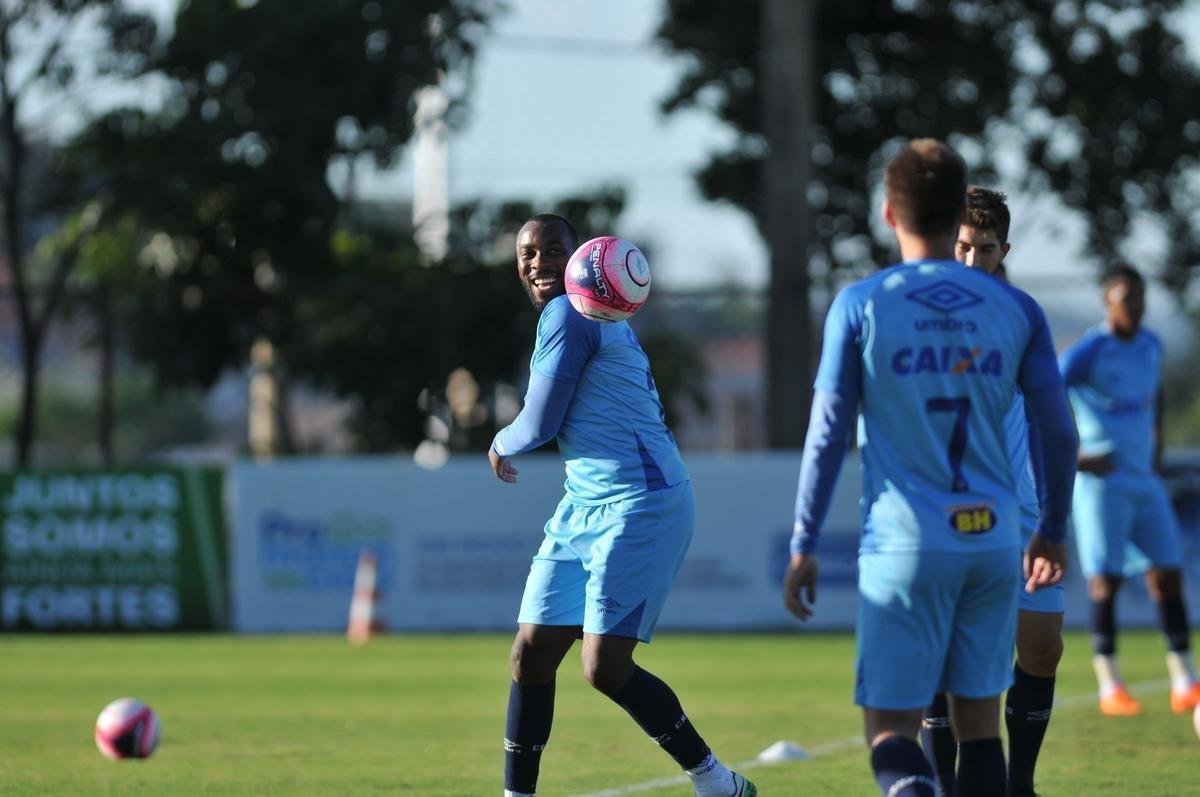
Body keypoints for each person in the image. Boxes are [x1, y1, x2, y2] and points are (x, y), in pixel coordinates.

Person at [783, 140, 1078, 797]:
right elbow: (1059, 429)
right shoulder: (1017, 311)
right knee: (980, 729)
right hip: (995, 537)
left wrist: (804, 540)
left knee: (892, 728)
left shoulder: (862, 304)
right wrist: (1054, 525)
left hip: (908, 540)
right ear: (954, 219)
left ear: (889, 215)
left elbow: (828, 433)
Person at [490, 214, 755, 797]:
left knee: (603, 667)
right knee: (531, 655)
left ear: (579, 254)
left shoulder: (568, 312)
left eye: (553, 249)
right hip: (585, 502)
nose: (538, 262)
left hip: (640, 502)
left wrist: (499, 442)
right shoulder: (593, 312)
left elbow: (538, 423)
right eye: (527, 253)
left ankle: (716, 781)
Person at [920, 187, 1066, 797]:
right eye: (961, 246)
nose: (972, 260)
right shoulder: (920, 313)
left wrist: (1052, 522)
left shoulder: (1023, 317)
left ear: (1005, 249)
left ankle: (1020, 785)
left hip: (1022, 509)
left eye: (984, 249)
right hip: (945, 509)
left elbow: (1049, 421)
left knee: (1041, 651)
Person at [1059, 264, 1200, 716]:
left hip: (1143, 479)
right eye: (1126, 299)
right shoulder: (1088, 351)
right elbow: (1043, 396)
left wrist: (1157, 450)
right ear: (1108, 302)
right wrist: (1076, 456)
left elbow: (1153, 400)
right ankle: (1110, 685)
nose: (1135, 307)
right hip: (1101, 484)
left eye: (1140, 298)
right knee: (1107, 580)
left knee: (1168, 572)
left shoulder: (1151, 344)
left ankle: (1184, 680)